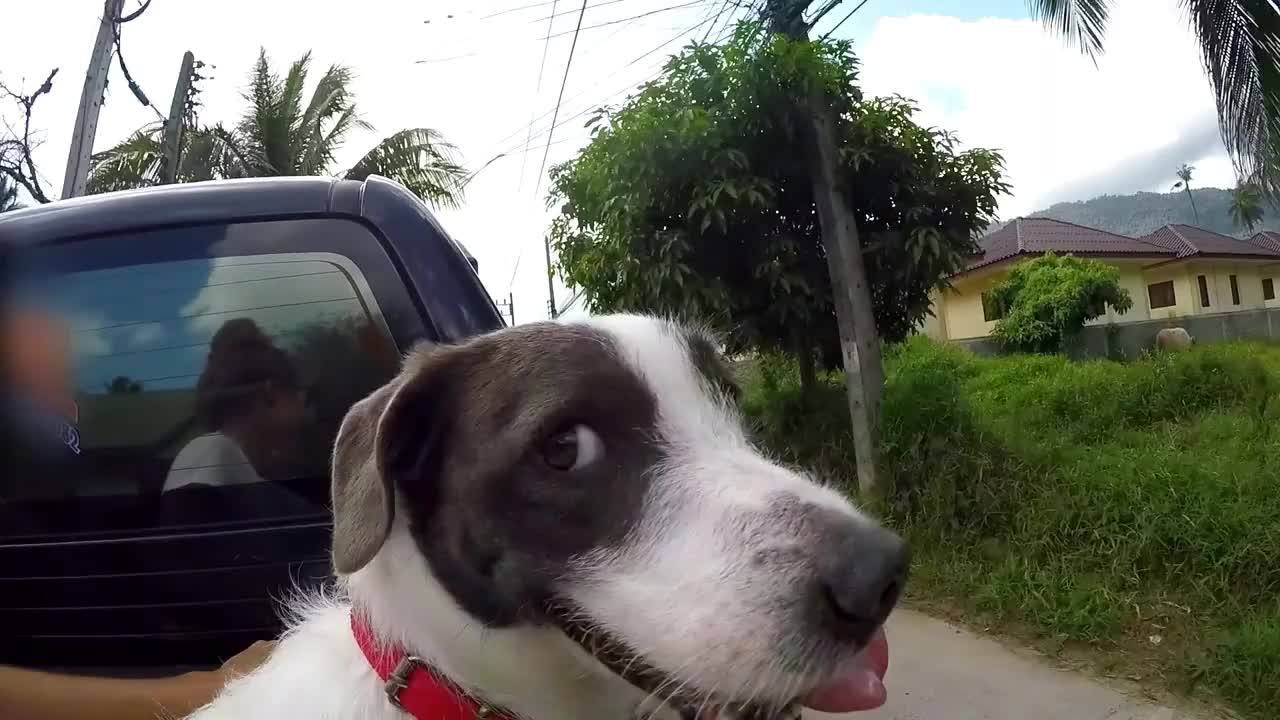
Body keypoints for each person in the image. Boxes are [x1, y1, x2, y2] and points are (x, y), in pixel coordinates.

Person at [163, 318, 308, 492]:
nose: (305, 401)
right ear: (270, 396)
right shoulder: (212, 457)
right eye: (299, 389)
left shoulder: (235, 463)